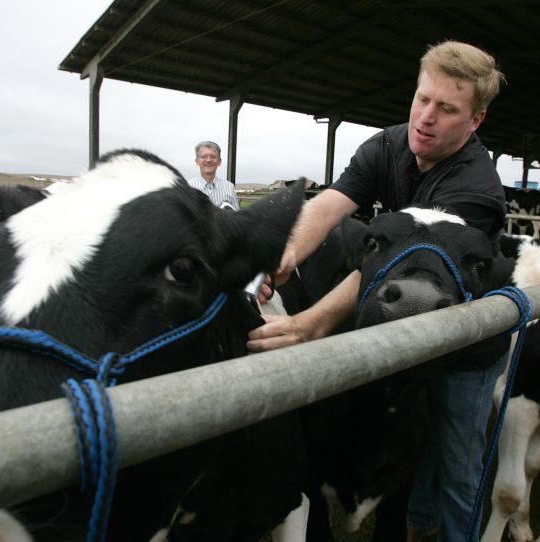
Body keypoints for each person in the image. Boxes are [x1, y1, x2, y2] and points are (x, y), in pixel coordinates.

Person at [247, 40, 507, 541]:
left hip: (463, 339)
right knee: (402, 430)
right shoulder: (387, 146)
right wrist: (285, 253)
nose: (425, 117)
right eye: (422, 99)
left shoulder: (476, 188)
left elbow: (390, 266)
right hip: (407, 309)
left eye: (447, 108)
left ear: (476, 120)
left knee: (456, 457)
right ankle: (417, 524)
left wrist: (310, 323)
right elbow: (329, 205)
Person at [187, 141, 240, 210]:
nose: (208, 160)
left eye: (213, 157)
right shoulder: (188, 187)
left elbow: (235, 215)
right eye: (204, 157)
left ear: (219, 162)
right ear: (197, 161)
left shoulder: (229, 187)